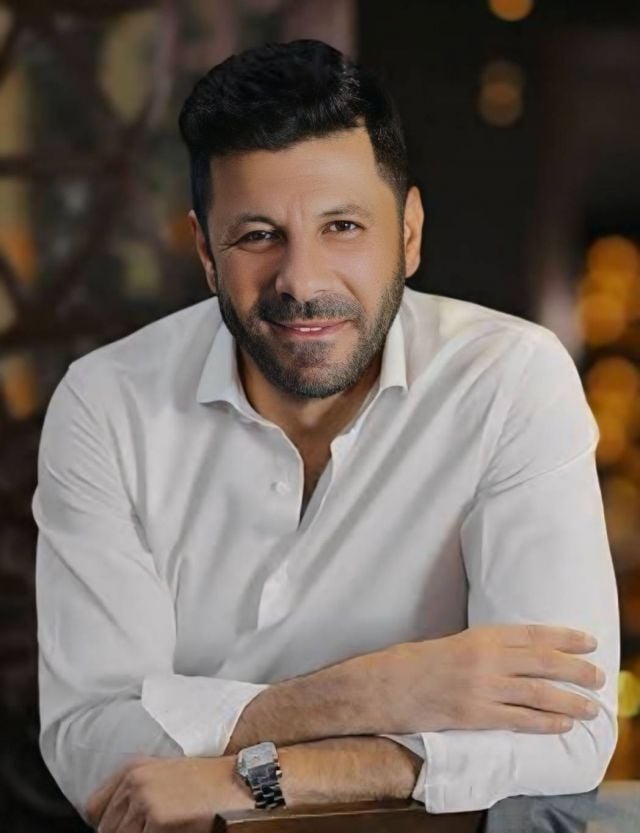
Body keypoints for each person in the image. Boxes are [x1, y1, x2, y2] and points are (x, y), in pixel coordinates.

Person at [33, 38, 619, 832]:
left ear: (408, 233)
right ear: (206, 252)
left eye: (342, 226)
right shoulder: (107, 403)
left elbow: (571, 731)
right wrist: (373, 691)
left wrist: (256, 778)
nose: (301, 281)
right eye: (257, 235)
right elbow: (90, 745)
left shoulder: (510, 378)